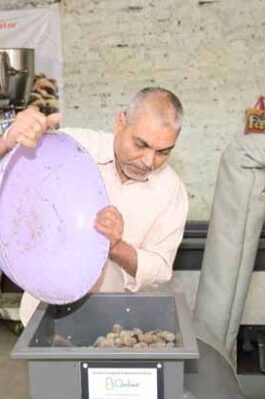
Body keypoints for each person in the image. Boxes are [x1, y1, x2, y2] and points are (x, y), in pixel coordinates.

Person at [0, 87, 189, 325]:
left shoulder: (171, 191)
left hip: (115, 324)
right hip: (42, 311)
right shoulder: (69, 148)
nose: (149, 161)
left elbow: (160, 269)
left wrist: (116, 246)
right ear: (120, 123)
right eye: (140, 145)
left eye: (163, 152)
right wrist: (7, 141)